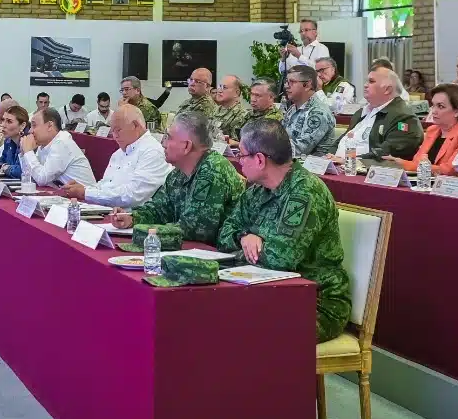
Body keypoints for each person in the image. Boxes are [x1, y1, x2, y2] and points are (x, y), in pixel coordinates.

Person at [219, 118, 351, 342]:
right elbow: (223, 235)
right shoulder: (257, 191)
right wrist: (244, 238)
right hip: (267, 292)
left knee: (239, 330)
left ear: (259, 159)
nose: (239, 161)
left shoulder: (305, 192)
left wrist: (245, 250)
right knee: (211, 315)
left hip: (315, 302)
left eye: (241, 155)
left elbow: (280, 260)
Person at [105, 112, 245, 245]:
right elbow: (159, 208)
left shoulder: (213, 170)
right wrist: (132, 217)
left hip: (222, 256)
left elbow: (195, 230)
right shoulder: (178, 173)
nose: (163, 143)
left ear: (186, 146)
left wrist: (146, 231)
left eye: (168, 137)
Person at [59, 104, 170, 208]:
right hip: (109, 211)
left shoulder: (152, 152)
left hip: (134, 219)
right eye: (113, 131)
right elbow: (106, 185)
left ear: (136, 125)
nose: (115, 136)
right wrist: (84, 188)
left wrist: (86, 193)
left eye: (118, 130)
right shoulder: (119, 153)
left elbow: (133, 195)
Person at [388, 84, 458, 176]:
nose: (433, 111)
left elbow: (451, 170)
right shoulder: (432, 130)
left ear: (457, 111)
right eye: (433, 105)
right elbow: (417, 162)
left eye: (440, 106)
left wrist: (404, 164)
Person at [332, 67, 422, 162]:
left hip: (365, 172)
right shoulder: (361, 113)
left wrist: (348, 161)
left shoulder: (404, 118)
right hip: (341, 166)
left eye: (371, 81)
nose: (365, 85)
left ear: (387, 89)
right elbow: (343, 139)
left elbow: (385, 153)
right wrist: (330, 155)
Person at [19, 107, 95, 186]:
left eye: (34, 125)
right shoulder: (43, 145)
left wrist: (28, 152)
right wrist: (23, 153)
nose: (30, 131)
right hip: (64, 195)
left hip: (84, 197)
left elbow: (41, 179)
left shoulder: (62, 142)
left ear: (50, 126)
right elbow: (30, 178)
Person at [280, 65, 338, 157]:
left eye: (292, 82)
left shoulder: (319, 112)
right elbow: (280, 136)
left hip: (312, 168)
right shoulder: (293, 108)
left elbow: (300, 149)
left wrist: (269, 149)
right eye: (286, 82)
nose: (286, 86)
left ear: (307, 85)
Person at [0, 103, 30, 178]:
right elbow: (0, 162)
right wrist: (6, 167)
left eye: (9, 121)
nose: (3, 125)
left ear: (22, 125)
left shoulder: (29, 142)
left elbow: (22, 171)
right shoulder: (8, 141)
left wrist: (6, 168)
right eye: (3, 120)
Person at [213, 75, 252, 140]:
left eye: (224, 87)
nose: (219, 90)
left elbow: (243, 144)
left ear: (236, 93)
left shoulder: (243, 115)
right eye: (219, 86)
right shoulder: (214, 110)